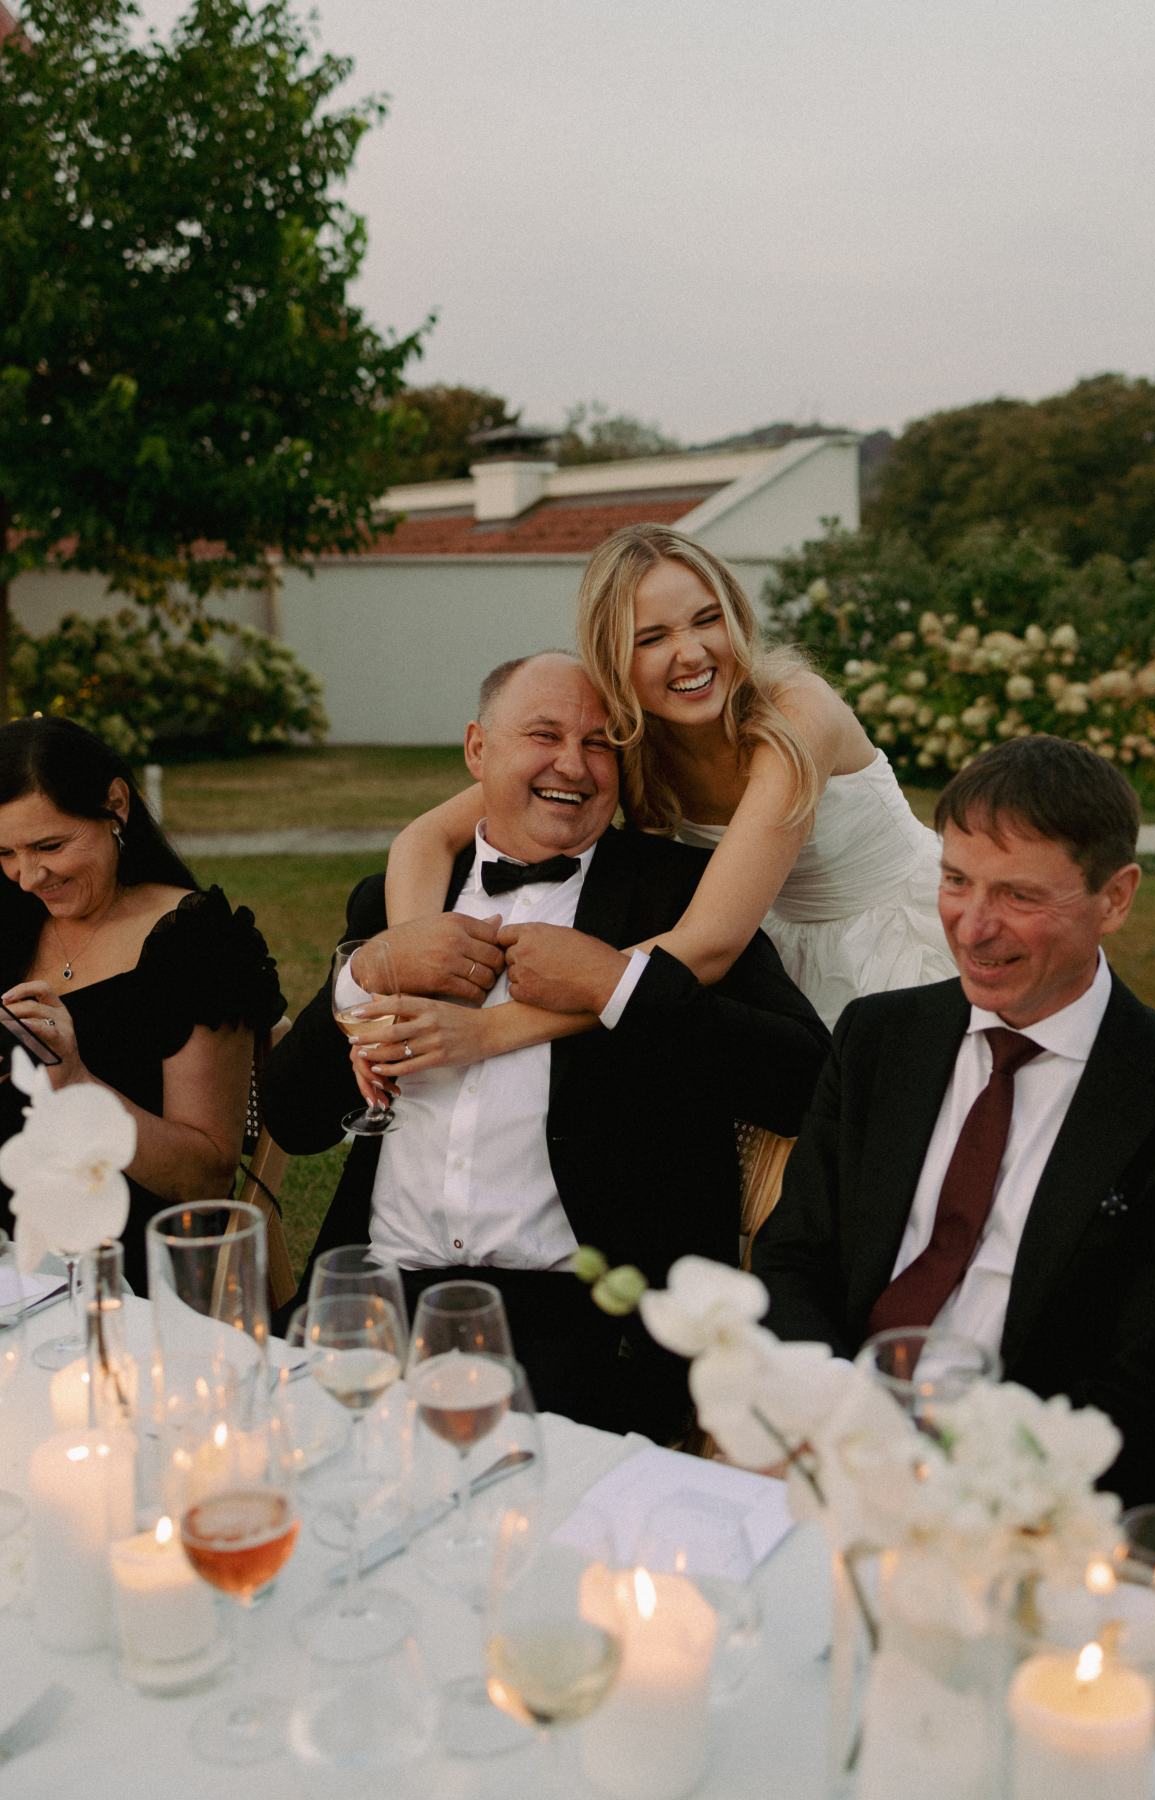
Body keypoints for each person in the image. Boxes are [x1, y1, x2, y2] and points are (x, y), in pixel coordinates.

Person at [262, 651, 831, 1438]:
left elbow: (805, 1081)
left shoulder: (673, 896)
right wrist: (364, 975)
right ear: (478, 750)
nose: (573, 764)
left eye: (601, 744)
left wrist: (612, 983)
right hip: (379, 1296)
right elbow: (292, 1121)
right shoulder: (399, 900)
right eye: (544, 735)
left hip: (579, 1320)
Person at [752, 734, 1155, 1506]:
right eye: (956, 880)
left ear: (1116, 898)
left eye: (1019, 896)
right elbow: (793, 1259)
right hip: (836, 1456)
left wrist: (960, 1487)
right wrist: (842, 1428)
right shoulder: (877, 1038)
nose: (971, 926)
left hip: (1032, 1503)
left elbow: (1151, 1385)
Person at [382, 524, 956, 1033]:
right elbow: (424, 838)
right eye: (652, 638)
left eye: (707, 620)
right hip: (770, 953)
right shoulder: (627, 740)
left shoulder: (797, 713)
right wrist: (416, 978)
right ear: (612, 656)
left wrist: (488, 1029)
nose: (691, 653)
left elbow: (712, 942)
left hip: (898, 939)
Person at [0, 718, 285, 1294]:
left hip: (125, 1270)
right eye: (5, 852)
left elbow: (205, 1178)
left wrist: (76, 1082)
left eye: (50, 846)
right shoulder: (13, 921)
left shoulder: (195, 942)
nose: (28, 877)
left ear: (116, 805)